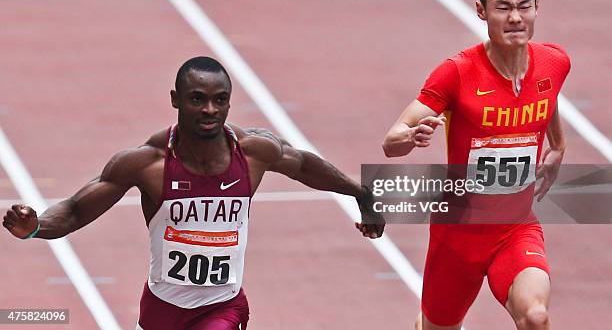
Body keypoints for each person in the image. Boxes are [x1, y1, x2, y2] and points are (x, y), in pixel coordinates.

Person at [3, 57, 384, 330]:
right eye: (197, 98)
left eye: (220, 100)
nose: (209, 109)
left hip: (222, 307)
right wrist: (35, 228)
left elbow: (303, 166)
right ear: (175, 100)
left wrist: (359, 194)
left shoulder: (252, 152)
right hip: (161, 307)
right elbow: (72, 212)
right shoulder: (147, 164)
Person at [380, 0, 570, 330]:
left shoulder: (554, 62)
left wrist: (558, 146)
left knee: (535, 316)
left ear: (537, 8)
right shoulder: (457, 73)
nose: (515, 17)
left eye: (523, 6)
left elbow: (548, 97)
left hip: (516, 227)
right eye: (503, 7)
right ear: (482, 11)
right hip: (459, 234)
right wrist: (411, 137)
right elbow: (391, 141)